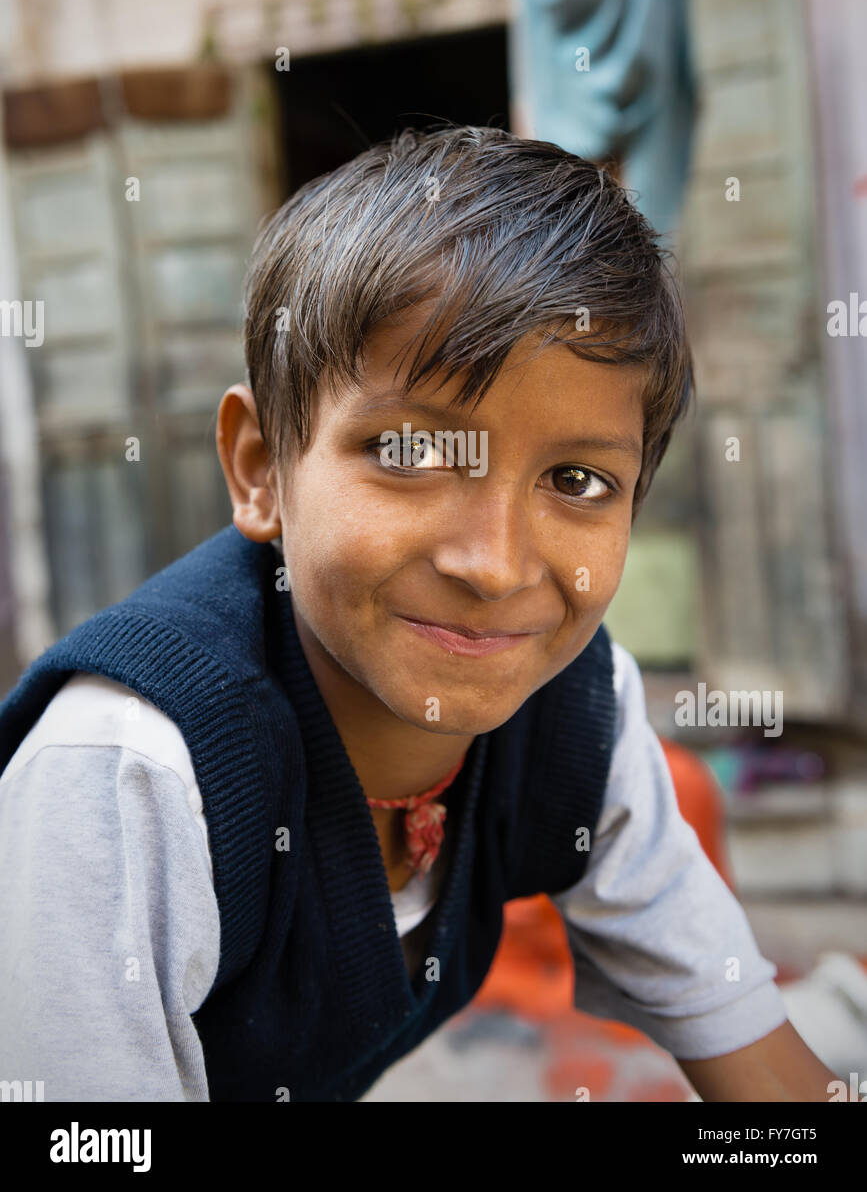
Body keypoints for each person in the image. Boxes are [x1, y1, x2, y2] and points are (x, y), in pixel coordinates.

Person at [0, 126, 837, 1102]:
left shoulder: (577, 708)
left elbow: (765, 1070)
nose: (492, 564)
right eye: (407, 453)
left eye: (576, 478)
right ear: (262, 468)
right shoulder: (129, 776)